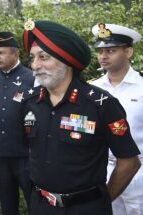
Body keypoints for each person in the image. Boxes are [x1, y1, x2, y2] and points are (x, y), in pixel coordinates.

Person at [21, 19, 141, 213]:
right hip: (41, 207)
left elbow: (129, 162)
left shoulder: (101, 104)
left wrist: (102, 200)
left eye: (43, 57)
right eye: (32, 58)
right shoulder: (29, 102)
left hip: (86, 208)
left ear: (66, 61)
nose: (35, 65)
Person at [0, 32, 34, 215]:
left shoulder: (32, 78)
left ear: (15, 54)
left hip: (26, 154)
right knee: (7, 205)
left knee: (35, 203)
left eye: (1, 53)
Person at [90, 23, 143, 214]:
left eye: (110, 50)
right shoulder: (93, 89)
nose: (103, 56)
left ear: (128, 52)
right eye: (100, 51)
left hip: (139, 173)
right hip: (103, 171)